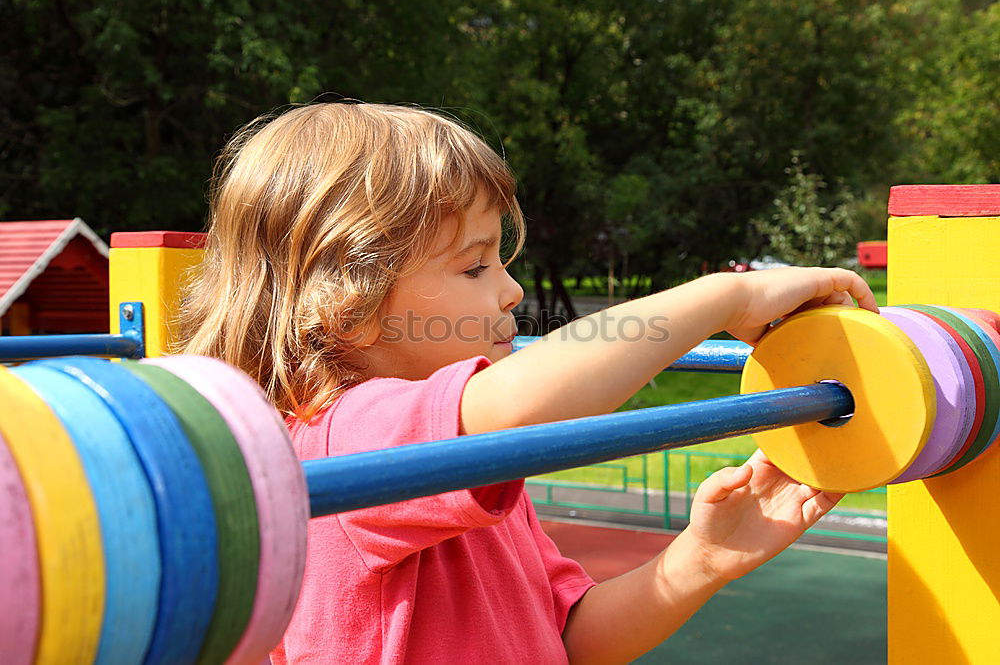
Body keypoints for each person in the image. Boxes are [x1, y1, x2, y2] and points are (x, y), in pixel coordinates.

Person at [179, 102, 878, 664]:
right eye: (476, 266)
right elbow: (518, 407)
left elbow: (569, 637)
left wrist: (700, 559)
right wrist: (725, 298)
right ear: (348, 306)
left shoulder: (471, 462)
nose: (512, 290)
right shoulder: (331, 443)